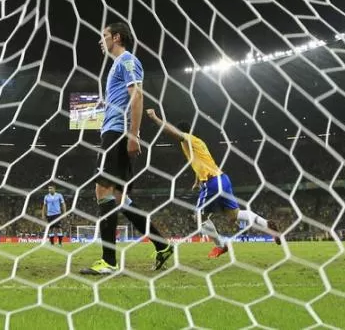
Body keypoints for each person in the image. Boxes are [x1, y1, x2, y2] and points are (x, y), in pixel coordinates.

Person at [80, 22, 173, 276]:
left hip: (118, 132)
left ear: (117, 37)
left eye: (104, 36)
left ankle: (108, 261)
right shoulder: (115, 66)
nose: (101, 41)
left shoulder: (127, 61)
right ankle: (162, 245)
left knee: (102, 190)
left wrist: (133, 134)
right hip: (114, 130)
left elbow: (138, 96)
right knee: (119, 198)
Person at [145, 108, 281, 258]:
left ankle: (220, 245)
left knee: (199, 218)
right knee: (234, 215)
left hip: (213, 183)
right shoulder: (198, 143)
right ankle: (266, 224)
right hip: (223, 179)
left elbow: (172, 132)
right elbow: (202, 163)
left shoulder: (188, 139)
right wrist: (197, 181)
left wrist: (155, 118)